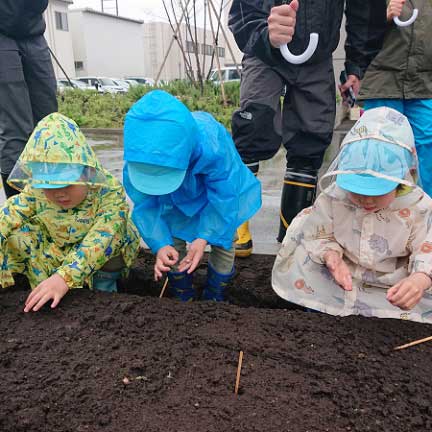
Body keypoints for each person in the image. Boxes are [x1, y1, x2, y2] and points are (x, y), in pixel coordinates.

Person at [228, 0, 387, 256]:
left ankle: (292, 233)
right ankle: (234, 223)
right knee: (254, 127)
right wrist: (261, 32)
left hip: (317, 53)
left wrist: (357, 64)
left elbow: (364, 10)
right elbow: (243, 9)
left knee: (311, 137)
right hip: (266, 50)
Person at [272, 107, 432, 323]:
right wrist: (332, 258)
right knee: (301, 235)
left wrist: (420, 279)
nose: (366, 199)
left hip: (393, 280)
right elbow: (320, 233)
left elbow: (427, 247)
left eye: (377, 191)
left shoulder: (418, 206)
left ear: (401, 178)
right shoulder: (334, 197)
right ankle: (318, 305)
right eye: (356, 190)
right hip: (343, 273)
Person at [123, 90, 261, 302]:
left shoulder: (212, 146)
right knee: (172, 240)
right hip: (172, 202)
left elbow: (225, 196)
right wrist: (160, 244)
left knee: (224, 241)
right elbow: (146, 205)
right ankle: (183, 295)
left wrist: (204, 236)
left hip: (213, 198)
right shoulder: (140, 159)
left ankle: (214, 296)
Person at [0, 113, 140, 312]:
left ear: (85, 170)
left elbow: (103, 237)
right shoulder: (36, 191)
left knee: (117, 235)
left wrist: (65, 277)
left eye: (67, 183)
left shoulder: (108, 191)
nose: (60, 194)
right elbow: (9, 213)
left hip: (98, 251)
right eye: (49, 186)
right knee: (18, 234)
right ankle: (43, 287)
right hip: (60, 245)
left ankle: (104, 287)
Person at [358, 0, 432, 196]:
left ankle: (425, 217)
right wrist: (382, 18)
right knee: (382, 150)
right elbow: (359, 30)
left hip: (424, 84)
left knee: (428, 150)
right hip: (382, 82)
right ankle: (378, 216)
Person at [0, 0, 58, 199]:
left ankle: (52, 199)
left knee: (50, 122)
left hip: (33, 29)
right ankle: (19, 213)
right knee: (17, 126)